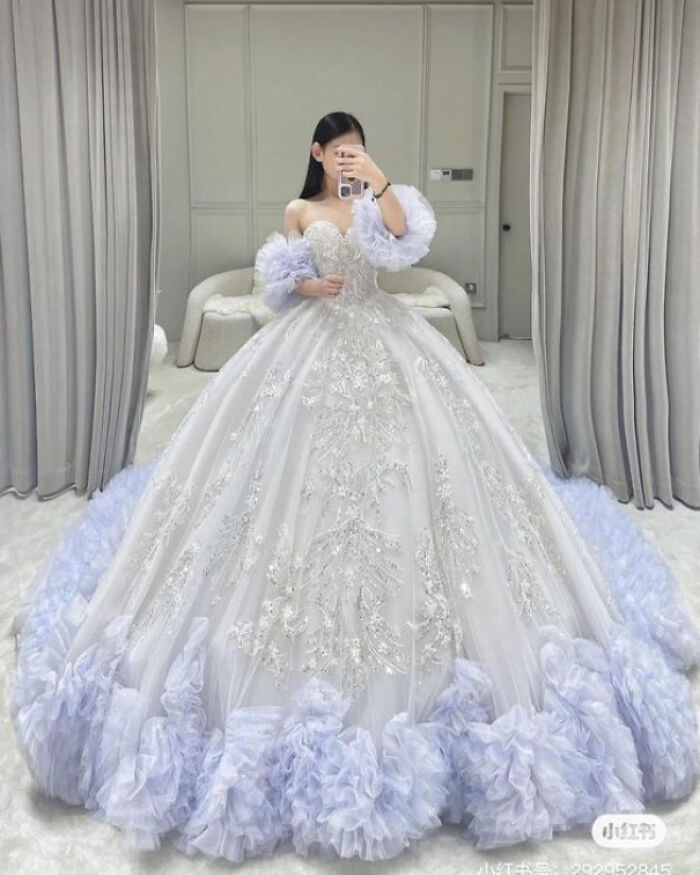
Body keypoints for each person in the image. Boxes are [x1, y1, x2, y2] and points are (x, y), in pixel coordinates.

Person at [11, 111, 700, 865]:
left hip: (387, 341)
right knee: (260, 487)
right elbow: (280, 286)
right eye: (339, 150)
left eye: (357, 149)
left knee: (437, 484)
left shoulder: (377, 202)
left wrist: (378, 184)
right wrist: (309, 284)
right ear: (315, 152)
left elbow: (404, 244)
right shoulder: (298, 210)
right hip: (308, 347)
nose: (348, 157)